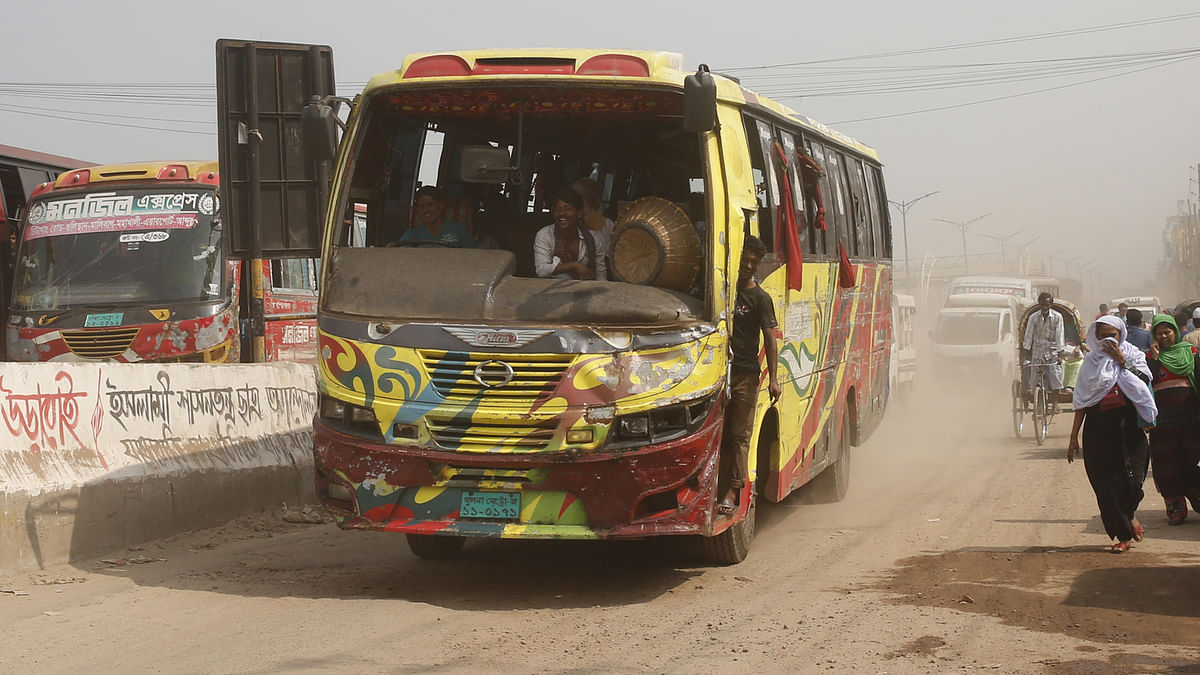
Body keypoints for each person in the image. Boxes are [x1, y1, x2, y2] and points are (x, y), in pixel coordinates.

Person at [1068, 316, 1157, 553]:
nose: (1108, 338)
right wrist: (1073, 437)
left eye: (1113, 334)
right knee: (1105, 481)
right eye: (1103, 334)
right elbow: (1082, 401)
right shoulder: (1090, 362)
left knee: (1133, 478)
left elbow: (1145, 380)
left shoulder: (1134, 354)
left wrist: (1121, 360)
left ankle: (1129, 514)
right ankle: (1123, 535)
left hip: (1129, 426)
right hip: (1099, 427)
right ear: (1096, 337)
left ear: (1121, 334)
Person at [717, 236, 781, 515]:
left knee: (739, 436)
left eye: (754, 262)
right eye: (746, 259)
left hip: (746, 376)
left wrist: (774, 379)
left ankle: (733, 490)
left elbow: (770, 340)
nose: (748, 265)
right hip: (717, 374)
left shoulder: (760, 299)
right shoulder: (721, 292)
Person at [1145, 314, 1200, 525]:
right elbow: (1146, 383)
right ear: (1154, 336)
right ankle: (1176, 509)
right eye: (1159, 333)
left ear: (1175, 332)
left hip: (1191, 419)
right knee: (1167, 465)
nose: (1164, 336)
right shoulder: (1150, 358)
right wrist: (1155, 359)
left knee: (1194, 462)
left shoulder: (1192, 353)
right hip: (1163, 423)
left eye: (1167, 332)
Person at [532, 190, 606, 280]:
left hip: (585, 289)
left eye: (567, 209)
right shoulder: (545, 235)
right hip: (553, 290)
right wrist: (574, 265)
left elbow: (600, 273)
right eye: (558, 209)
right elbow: (541, 270)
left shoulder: (593, 238)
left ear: (579, 213)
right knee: (563, 276)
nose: (562, 213)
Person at [1022, 292, 1077, 396]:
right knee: (1034, 377)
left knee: (1055, 376)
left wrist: (1060, 354)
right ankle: (1036, 396)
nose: (1044, 307)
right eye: (1042, 305)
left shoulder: (1057, 317)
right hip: (1037, 351)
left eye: (1047, 305)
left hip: (1053, 352)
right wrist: (1025, 354)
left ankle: (1055, 403)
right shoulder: (1033, 317)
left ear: (1051, 304)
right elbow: (1028, 336)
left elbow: (1059, 335)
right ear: (1039, 304)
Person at [397, 186, 476, 248]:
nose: (426, 210)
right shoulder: (411, 235)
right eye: (422, 207)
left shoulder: (459, 230)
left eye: (430, 205)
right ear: (418, 210)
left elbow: (472, 256)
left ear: (441, 206)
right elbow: (400, 255)